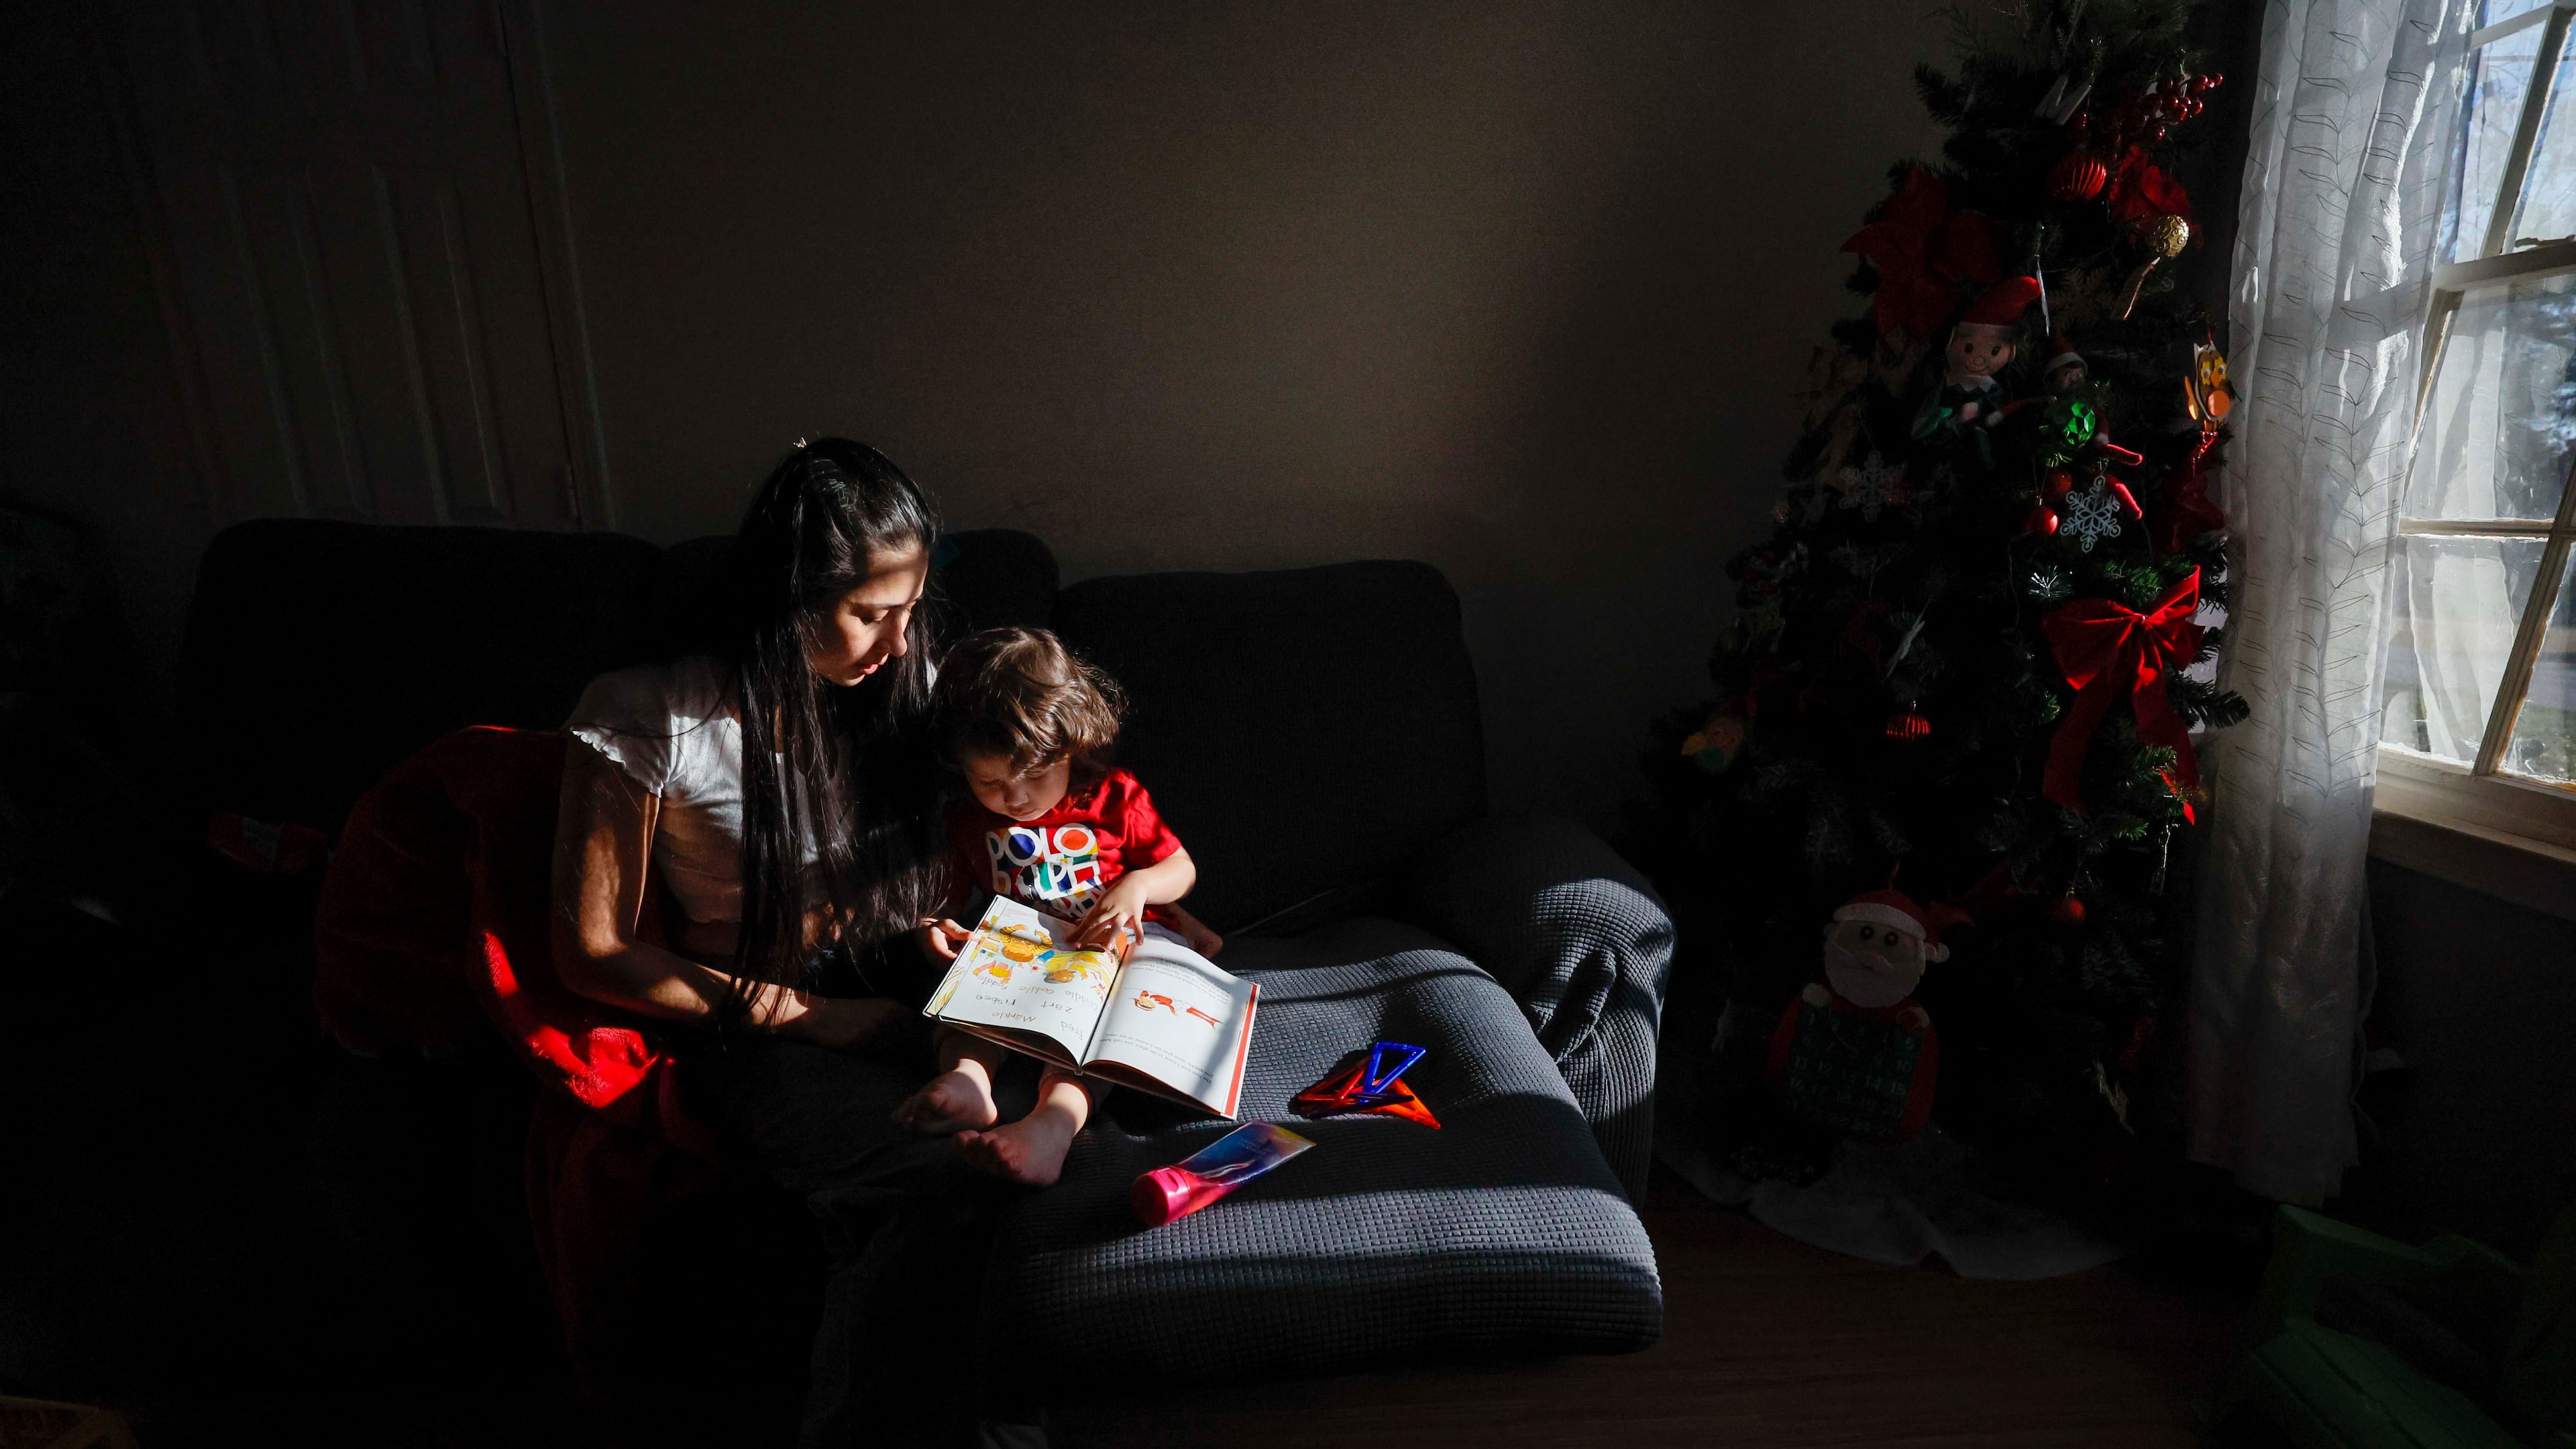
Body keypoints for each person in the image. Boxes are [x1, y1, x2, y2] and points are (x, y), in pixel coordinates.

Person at [550, 437, 1005, 1448]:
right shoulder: (650, 717)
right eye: (870, 615)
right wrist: (811, 1016)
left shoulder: (905, 683)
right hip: (759, 1014)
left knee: (1068, 1123)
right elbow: (590, 949)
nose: (898, 644)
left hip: (919, 968)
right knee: (931, 1187)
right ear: (787, 596)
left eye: (910, 610)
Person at [892, 627, 1222, 1186]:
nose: (1015, 798)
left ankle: (1052, 1126)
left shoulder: (1114, 796)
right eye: (990, 782)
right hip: (1024, 954)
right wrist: (935, 929)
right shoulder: (967, 821)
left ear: (1073, 749)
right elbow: (944, 899)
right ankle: (968, 1080)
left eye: (1037, 776)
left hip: (1110, 954)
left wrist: (1138, 887)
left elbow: (1182, 869)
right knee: (968, 1005)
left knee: (1097, 1043)